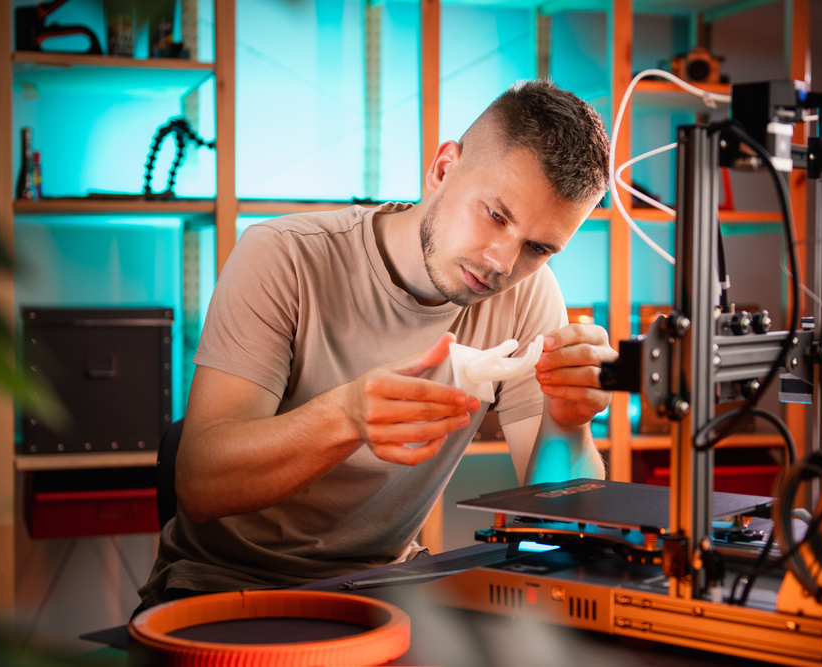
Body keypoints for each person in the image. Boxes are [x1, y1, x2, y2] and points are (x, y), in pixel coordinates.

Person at [137, 80, 617, 608]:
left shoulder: (528, 295)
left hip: (385, 589)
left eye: (539, 247)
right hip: (225, 585)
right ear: (442, 169)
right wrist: (346, 416)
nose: (502, 261)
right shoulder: (283, 256)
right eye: (496, 215)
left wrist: (569, 424)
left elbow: (554, 523)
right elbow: (201, 484)